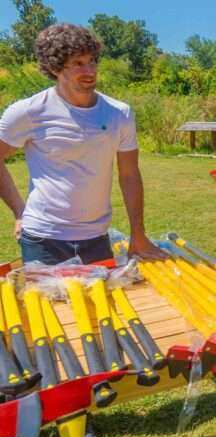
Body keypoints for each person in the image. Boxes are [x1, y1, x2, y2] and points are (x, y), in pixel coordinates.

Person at [0, 23, 165, 265]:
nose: (89, 70)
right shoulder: (29, 112)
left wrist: (137, 233)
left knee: (103, 302)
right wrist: (19, 211)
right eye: (78, 63)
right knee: (49, 304)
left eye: (92, 61)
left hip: (96, 238)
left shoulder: (119, 113)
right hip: (43, 240)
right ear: (55, 68)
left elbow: (129, 174)